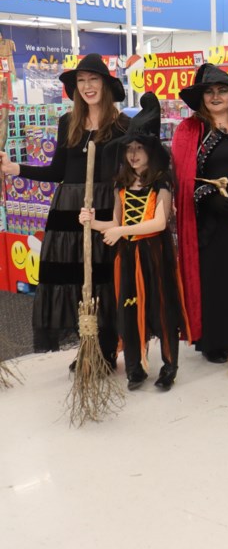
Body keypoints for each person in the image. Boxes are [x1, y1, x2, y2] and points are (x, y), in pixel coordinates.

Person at [0, 54, 128, 362]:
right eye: (81, 81)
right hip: (66, 213)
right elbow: (58, 171)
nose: (87, 86)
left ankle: (106, 349)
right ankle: (86, 346)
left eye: (92, 79)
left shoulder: (123, 125)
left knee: (103, 277)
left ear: (105, 85)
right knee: (70, 279)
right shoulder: (67, 122)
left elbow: (131, 171)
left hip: (104, 208)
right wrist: (16, 168)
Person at [79, 93, 189, 390]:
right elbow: (115, 223)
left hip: (155, 253)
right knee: (128, 308)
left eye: (140, 149)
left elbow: (159, 222)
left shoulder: (162, 181)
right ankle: (135, 366)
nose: (134, 154)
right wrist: (92, 222)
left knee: (162, 308)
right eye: (130, 149)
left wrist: (120, 232)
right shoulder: (121, 183)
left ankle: (169, 365)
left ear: (152, 152)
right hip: (127, 256)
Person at [172, 63, 228, 364]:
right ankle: (215, 340)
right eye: (209, 92)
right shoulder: (190, 131)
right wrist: (208, 198)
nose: (215, 96)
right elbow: (184, 177)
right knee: (213, 277)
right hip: (208, 220)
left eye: (222, 90)